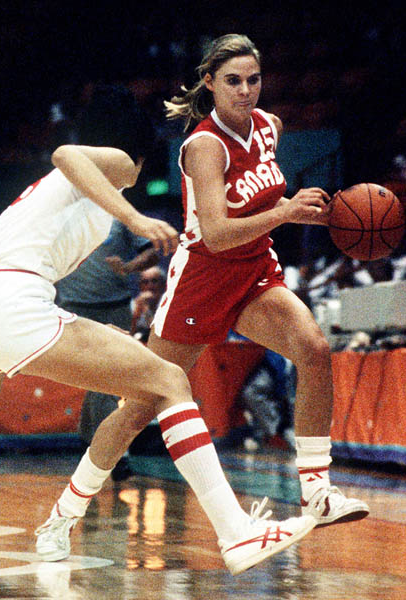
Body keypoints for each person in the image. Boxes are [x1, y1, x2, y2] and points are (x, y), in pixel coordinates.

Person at [0, 85, 315, 582]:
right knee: (168, 380)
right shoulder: (119, 164)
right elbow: (65, 152)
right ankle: (235, 532)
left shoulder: (67, 193)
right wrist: (134, 216)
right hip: (13, 300)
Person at [49, 34, 369, 551]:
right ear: (210, 84)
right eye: (233, 81)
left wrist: (301, 205)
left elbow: (259, 195)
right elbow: (217, 233)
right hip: (202, 279)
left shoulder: (270, 128)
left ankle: (317, 491)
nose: (245, 91)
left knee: (314, 349)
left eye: (253, 80)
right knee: (138, 407)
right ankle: (65, 511)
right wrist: (285, 211)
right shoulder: (203, 145)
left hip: (255, 273)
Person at [56, 217, 159, 480]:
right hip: (74, 309)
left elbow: (152, 251)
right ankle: (96, 441)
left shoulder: (118, 212)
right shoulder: (60, 213)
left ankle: (108, 451)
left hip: (116, 306)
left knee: (107, 379)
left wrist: (128, 267)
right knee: (99, 378)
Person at [130, 265, 166, 342]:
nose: (150, 286)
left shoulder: (169, 305)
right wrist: (137, 313)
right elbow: (127, 335)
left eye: (154, 281)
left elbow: (160, 336)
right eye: (145, 282)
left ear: (163, 285)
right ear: (140, 286)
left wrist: (147, 312)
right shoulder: (134, 305)